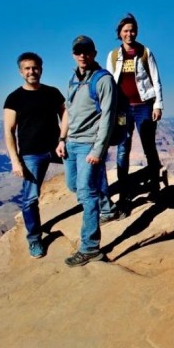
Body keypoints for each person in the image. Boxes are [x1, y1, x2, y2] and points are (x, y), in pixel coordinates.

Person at [56, 36, 117, 267]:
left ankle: (90, 247)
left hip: (89, 145)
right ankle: (108, 208)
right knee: (73, 186)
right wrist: (62, 139)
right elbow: (68, 113)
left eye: (87, 51)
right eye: (78, 51)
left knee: (86, 193)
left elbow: (109, 117)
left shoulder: (103, 80)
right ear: (73, 54)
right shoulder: (73, 80)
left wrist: (98, 150)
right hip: (71, 143)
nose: (83, 55)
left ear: (94, 52)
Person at [3, 52, 65, 258]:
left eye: (35, 67)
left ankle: (104, 208)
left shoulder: (52, 92)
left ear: (41, 69)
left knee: (88, 168)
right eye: (27, 68)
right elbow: (8, 131)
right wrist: (15, 160)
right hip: (31, 154)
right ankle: (35, 239)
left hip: (57, 148)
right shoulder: (14, 98)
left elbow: (65, 113)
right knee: (30, 198)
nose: (32, 71)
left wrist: (64, 138)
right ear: (21, 72)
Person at [106, 13, 164, 211]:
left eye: (132, 30)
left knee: (149, 146)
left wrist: (158, 105)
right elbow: (109, 84)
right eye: (125, 31)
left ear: (136, 32)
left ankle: (155, 188)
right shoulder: (113, 56)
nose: (129, 34)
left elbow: (155, 79)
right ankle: (124, 192)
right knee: (123, 148)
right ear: (120, 34)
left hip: (144, 106)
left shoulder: (145, 52)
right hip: (123, 109)